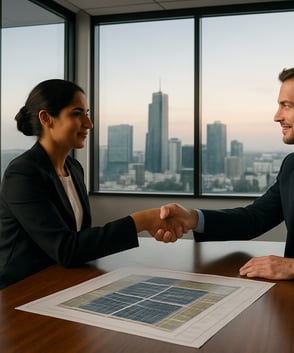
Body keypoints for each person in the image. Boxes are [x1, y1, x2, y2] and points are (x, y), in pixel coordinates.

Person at [156, 63, 294, 351]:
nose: (276, 116)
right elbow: (255, 217)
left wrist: (293, 266)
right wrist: (193, 219)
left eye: (286, 105)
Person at [0, 79, 178, 289]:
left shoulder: (74, 169)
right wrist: (140, 221)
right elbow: (67, 249)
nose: (89, 124)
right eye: (77, 114)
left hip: (61, 284)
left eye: (87, 113)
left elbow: (82, 241)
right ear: (47, 118)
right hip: (21, 292)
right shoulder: (22, 174)